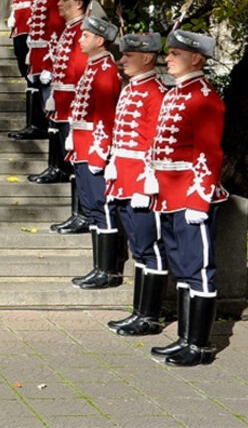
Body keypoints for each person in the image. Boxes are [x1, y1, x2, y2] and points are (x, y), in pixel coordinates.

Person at [146, 29, 228, 367]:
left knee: (199, 269)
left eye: (175, 54)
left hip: (191, 193)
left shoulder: (205, 97)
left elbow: (210, 153)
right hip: (168, 192)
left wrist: (199, 199)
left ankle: (200, 345)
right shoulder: (178, 93)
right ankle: (184, 338)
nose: (167, 58)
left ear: (196, 58)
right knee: (182, 267)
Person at [104, 32, 168, 336]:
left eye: (129, 55)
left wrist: (148, 183)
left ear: (148, 58)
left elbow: (157, 141)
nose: (122, 60)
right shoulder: (132, 89)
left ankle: (150, 316)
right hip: (125, 178)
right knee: (139, 249)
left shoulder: (156, 92)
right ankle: (138, 311)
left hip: (143, 181)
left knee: (150, 248)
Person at [65, 16, 123, 290]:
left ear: (100, 40)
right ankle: (99, 267)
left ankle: (108, 271)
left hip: (94, 150)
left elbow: (105, 117)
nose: (80, 39)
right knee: (92, 209)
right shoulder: (94, 68)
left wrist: (100, 155)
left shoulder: (105, 71)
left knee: (103, 211)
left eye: (86, 36)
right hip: (83, 147)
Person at [33, 0, 89, 190]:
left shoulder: (82, 31)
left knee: (76, 160)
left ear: (79, 5)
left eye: (66, 0)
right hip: (61, 100)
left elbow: (82, 73)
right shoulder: (70, 29)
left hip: (72, 102)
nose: (59, 4)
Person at [11, 0, 64, 140]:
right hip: (38, 54)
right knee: (45, 103)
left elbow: (58, 30)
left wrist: (51, 63)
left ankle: (59, 166)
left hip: (49, 57)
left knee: (54, 112)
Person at [6, 0, 45, 131]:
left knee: (33, 73)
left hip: (31, 24)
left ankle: (37, 123)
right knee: (27, 72)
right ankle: (34, 122)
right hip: (22, 22)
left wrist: (27, 18)